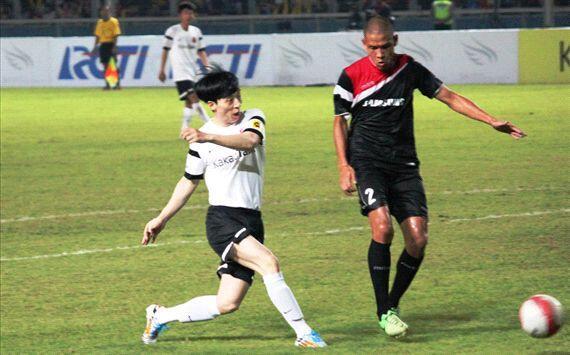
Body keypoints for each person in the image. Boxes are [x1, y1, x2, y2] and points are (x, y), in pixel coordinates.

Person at [332, 16, 526, 338]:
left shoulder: (410, 69)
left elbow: (449, 97)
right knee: (381, 227)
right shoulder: (351, 76)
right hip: (368, 162)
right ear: (364, 44)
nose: (380, 54)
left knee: (418, 239)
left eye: (385, 46)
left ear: (395, 40)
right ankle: (383, 311)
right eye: (373, 48)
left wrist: (490, 120)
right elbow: (339, 121)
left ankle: (392, 304)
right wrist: (344, 165)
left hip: (404, 165)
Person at [141, 70, 327, 348]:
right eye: (229, 100)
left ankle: (160, 315)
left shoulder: (253, 117)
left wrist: (208, 137)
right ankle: (303, 333)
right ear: (212, 104)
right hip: (222, 221)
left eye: (238, 96)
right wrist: (162, 217)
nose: (237, 105)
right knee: (269, 264)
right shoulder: (201, 142)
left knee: (227, 303)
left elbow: (250, 141)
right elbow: (189, 181)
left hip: (251, 219)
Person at [159, 1, 210, 132]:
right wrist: (162, 69)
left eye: (190, 13)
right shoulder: (172, 31)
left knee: (188, 101)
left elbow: (201, 51)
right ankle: (210, 124)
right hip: (180, 73)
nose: (188, 15)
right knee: (194, 97)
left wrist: (207, 66)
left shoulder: (196, 32)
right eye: (186, 12)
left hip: (193, 71)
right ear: (180, 15)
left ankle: (184, 128)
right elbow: (165, 50)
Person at [92, 5, 121, 90]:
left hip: (111, 44)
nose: (105, 13)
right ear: (101, 13)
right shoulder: (99, 22)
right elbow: (97, 35)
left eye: (107, 11)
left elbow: (116, 35)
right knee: (105, 66)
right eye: (103, 11)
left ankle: (117, 84)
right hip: (103, 45)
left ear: (109, 12)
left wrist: (115, 46)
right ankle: (108, 84)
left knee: (113, 65)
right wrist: (95, 46)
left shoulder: (114, 21)